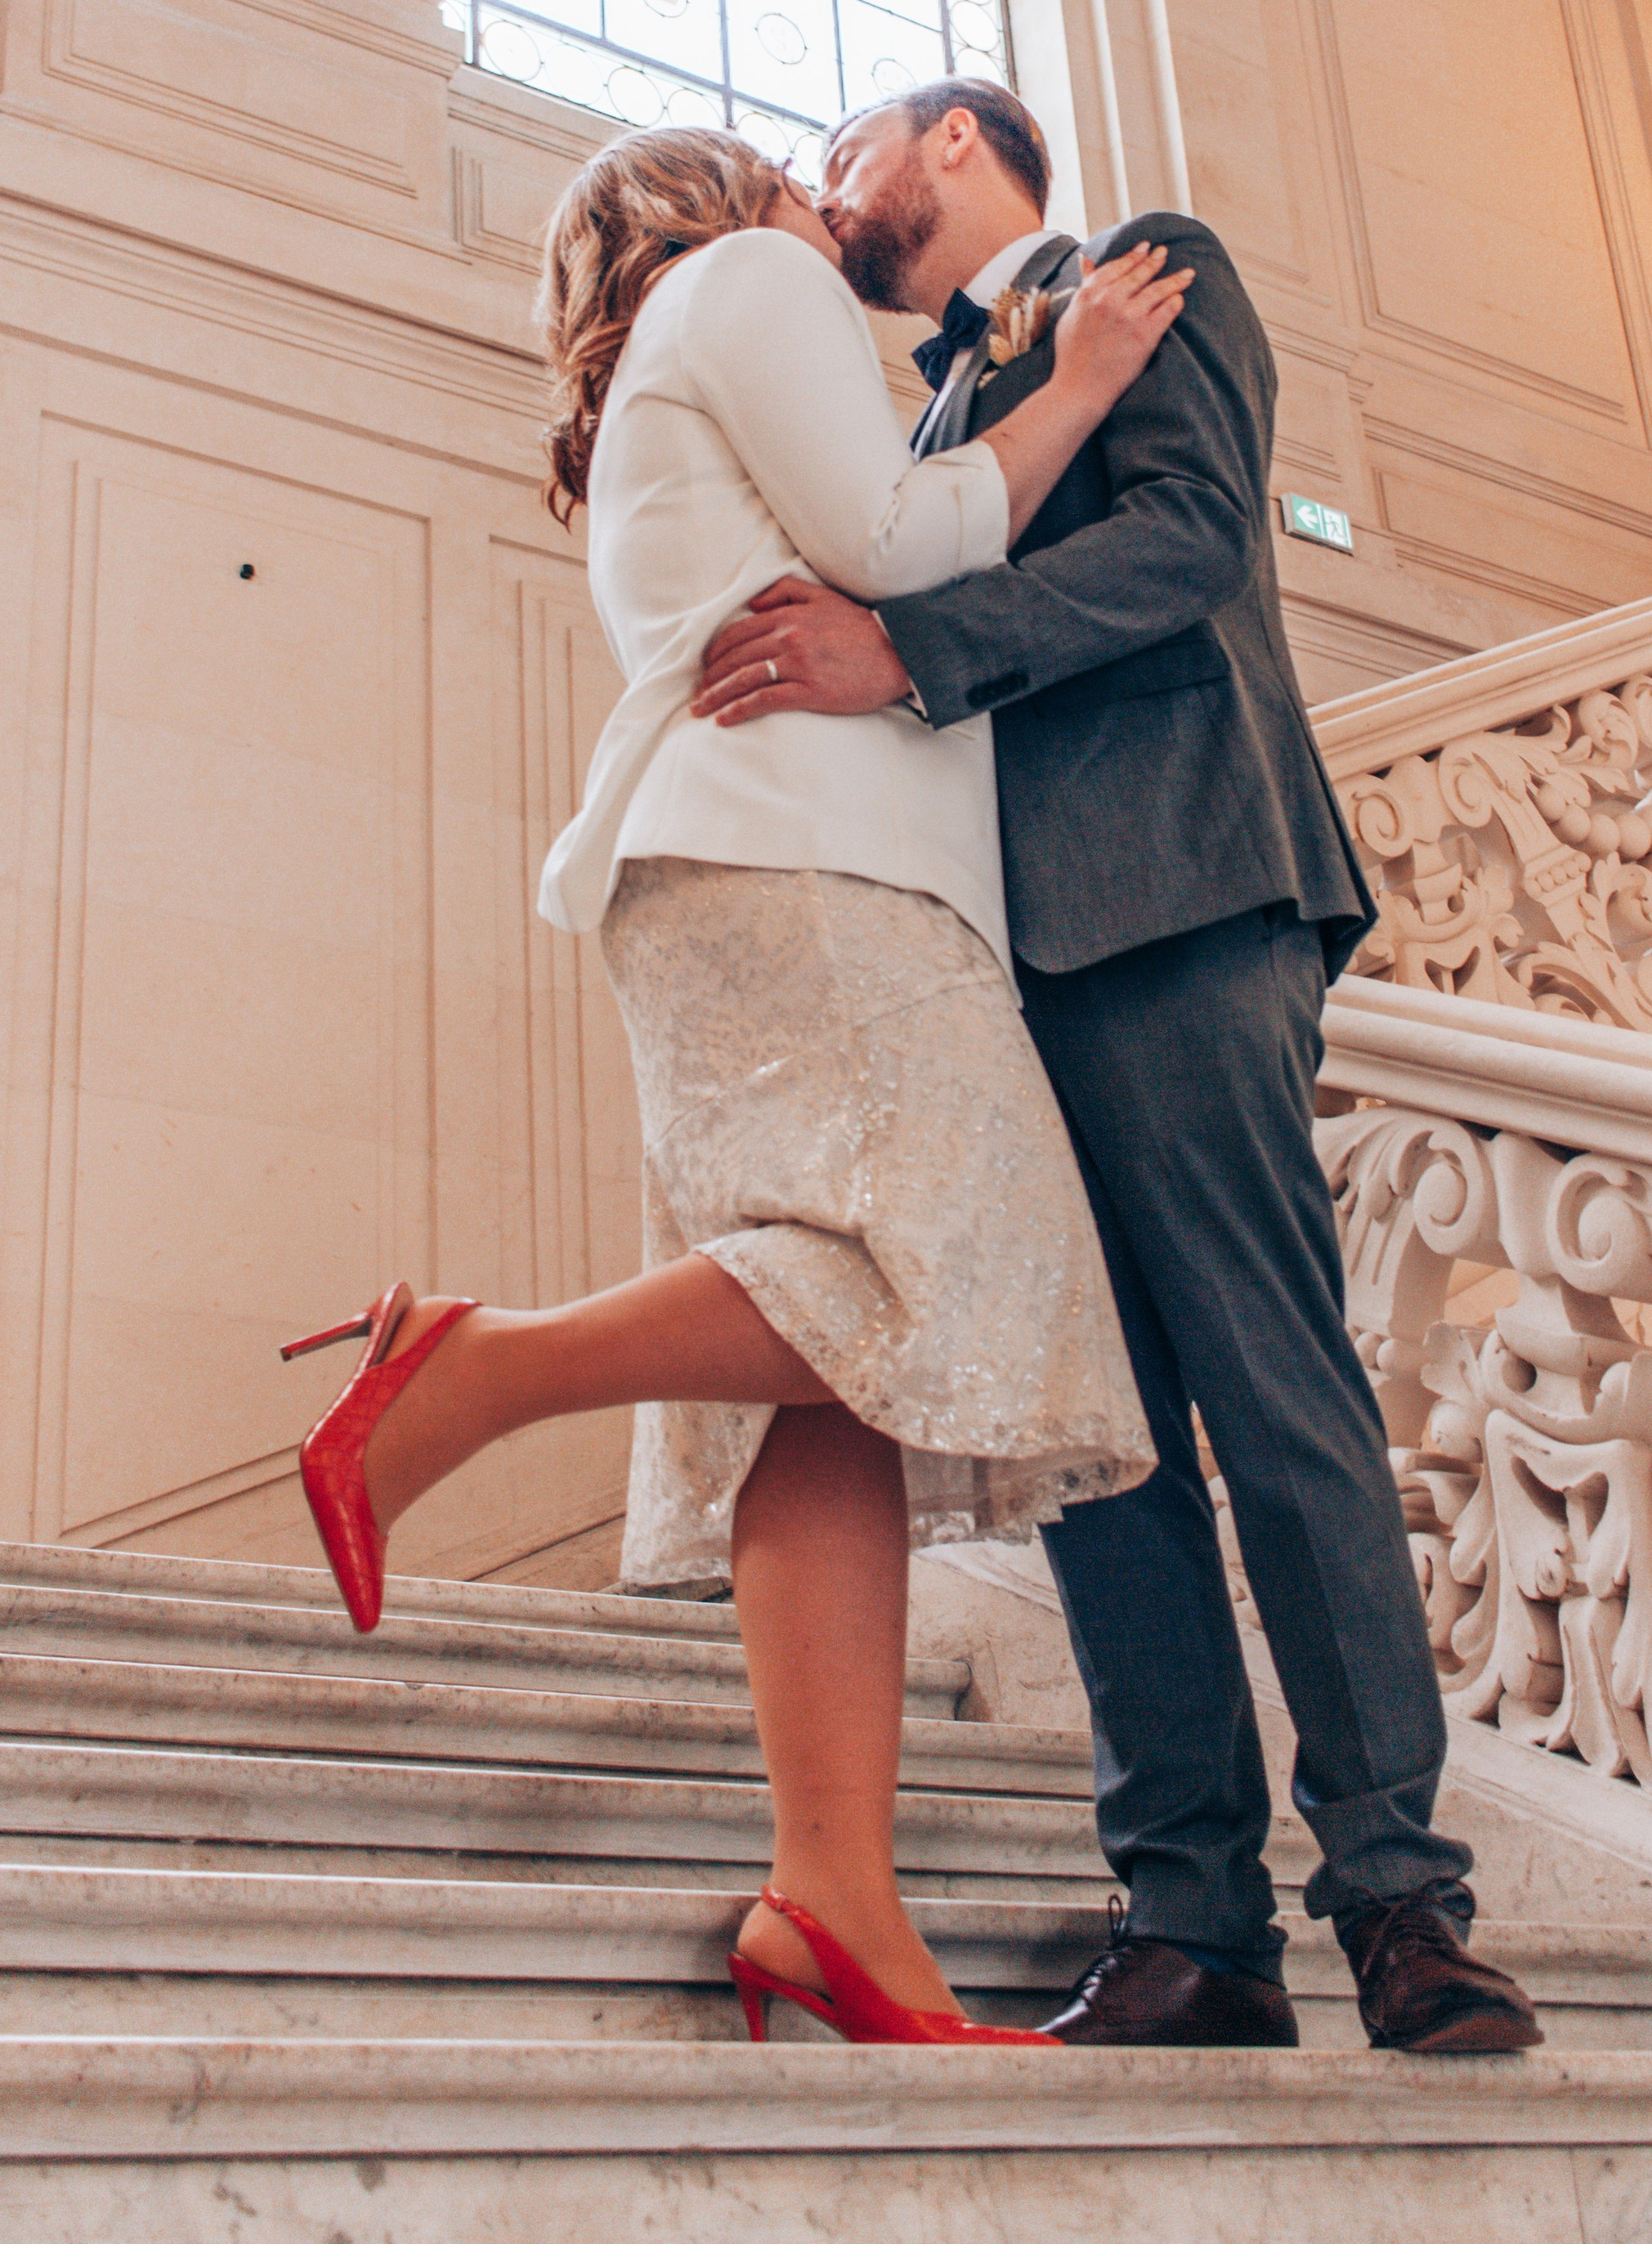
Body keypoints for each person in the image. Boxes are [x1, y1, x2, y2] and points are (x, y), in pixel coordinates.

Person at [280, 123, 1176, 2049]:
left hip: (755, 871)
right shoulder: (753, 280)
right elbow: (899, 545)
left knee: (851, 1367)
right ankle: (476, 1367)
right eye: (795, 161)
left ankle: (833, 1892)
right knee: (963, 1272)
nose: (823, 193)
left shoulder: (661, 366)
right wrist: (1079, 385)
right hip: (817, 872)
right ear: (730, 193)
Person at [693, 79, 1541, 2056]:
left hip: (1171, 899)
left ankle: (1403, 1905)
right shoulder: (915, 420)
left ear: (959, 140)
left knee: (1271, 1392)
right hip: (990, 972)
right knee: (1097, 1459)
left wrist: (908, 651)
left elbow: (1178, 547)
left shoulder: (1143, 274)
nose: (832, 195)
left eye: (848, 156)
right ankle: (1191, 1928)